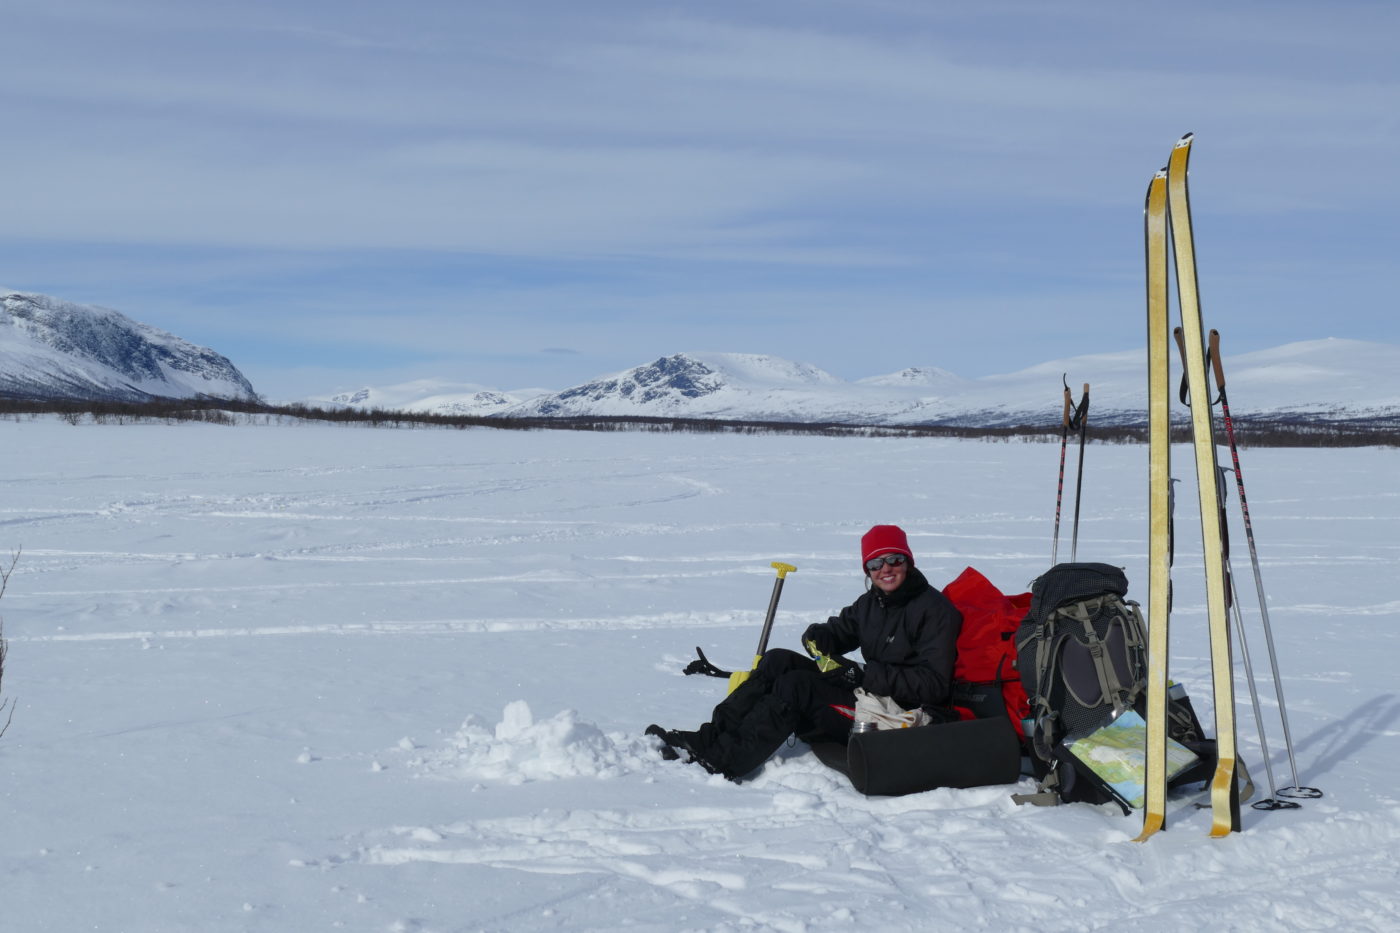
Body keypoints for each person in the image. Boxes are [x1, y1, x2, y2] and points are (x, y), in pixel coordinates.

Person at [648, 524, 963, 782]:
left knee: (797, 686)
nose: (885, 569)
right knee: (777, 660)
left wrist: (862, 675)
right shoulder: (872, 603)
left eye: (894, 559)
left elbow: (934, 685)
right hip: (871, 692)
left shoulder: (935, 611)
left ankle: (724, 760)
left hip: (898, 713)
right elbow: (841, 631)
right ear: (867, 570)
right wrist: (818, 637)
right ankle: (710, 738)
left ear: (909, 561)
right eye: (875, 564)